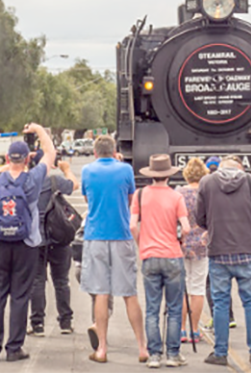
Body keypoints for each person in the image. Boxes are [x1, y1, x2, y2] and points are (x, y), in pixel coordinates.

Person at [196, 155, 251, 367]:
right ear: (239, 168)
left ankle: (220, 352)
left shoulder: (207, 182)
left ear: (220, 168)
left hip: (218, 251)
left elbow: (199, 216)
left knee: (220, 303)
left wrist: (212, 227)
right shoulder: (250, 181)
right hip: (246, 250)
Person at [0, 131, 52, 362]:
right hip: (26, 242)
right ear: (28, 158)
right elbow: (50, 153)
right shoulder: (33, 179)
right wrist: (39, 130)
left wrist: (8, 165)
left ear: (6, 157)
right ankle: (14, 348)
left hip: (0, 243)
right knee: (20, 296)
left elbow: (3, 174)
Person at [79, 134, 148, 364]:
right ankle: (142, 347)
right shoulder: (125, 170)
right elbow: (130, 198)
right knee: (130, 293)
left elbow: (88, 199)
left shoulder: (88, 171)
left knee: (101, 293)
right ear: (115, 151)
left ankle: (102, 348)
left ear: (95, 152)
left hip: (96, 235)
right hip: (121, 234)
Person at [130, 155, 191, 368]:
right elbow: (186, 227)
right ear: (168, 175)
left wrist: (142, 244)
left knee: (152, 309)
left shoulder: (139, 195)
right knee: (174, 308)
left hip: (149, 256)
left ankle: (154, 355)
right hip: (172, 255)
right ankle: (173, 354)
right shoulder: (176, 197)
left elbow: (132, 225)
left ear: (151, 174)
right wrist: (180, 241)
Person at [29, 159, 78, 337]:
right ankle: (65, 322)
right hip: (58, 237)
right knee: (61, 281)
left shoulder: (27, 181)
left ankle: (37, 323)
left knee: (37, 281)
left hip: (35, 239)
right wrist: (66, 169)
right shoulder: (54, 181)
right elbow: (74, 185)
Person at [177, 158, 209, 346]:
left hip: (181, 244)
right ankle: (195, 330)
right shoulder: (207, 192)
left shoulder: (178, 193)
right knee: (197, 288)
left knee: (182, 288)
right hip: (202, 246)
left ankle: (181, 329)